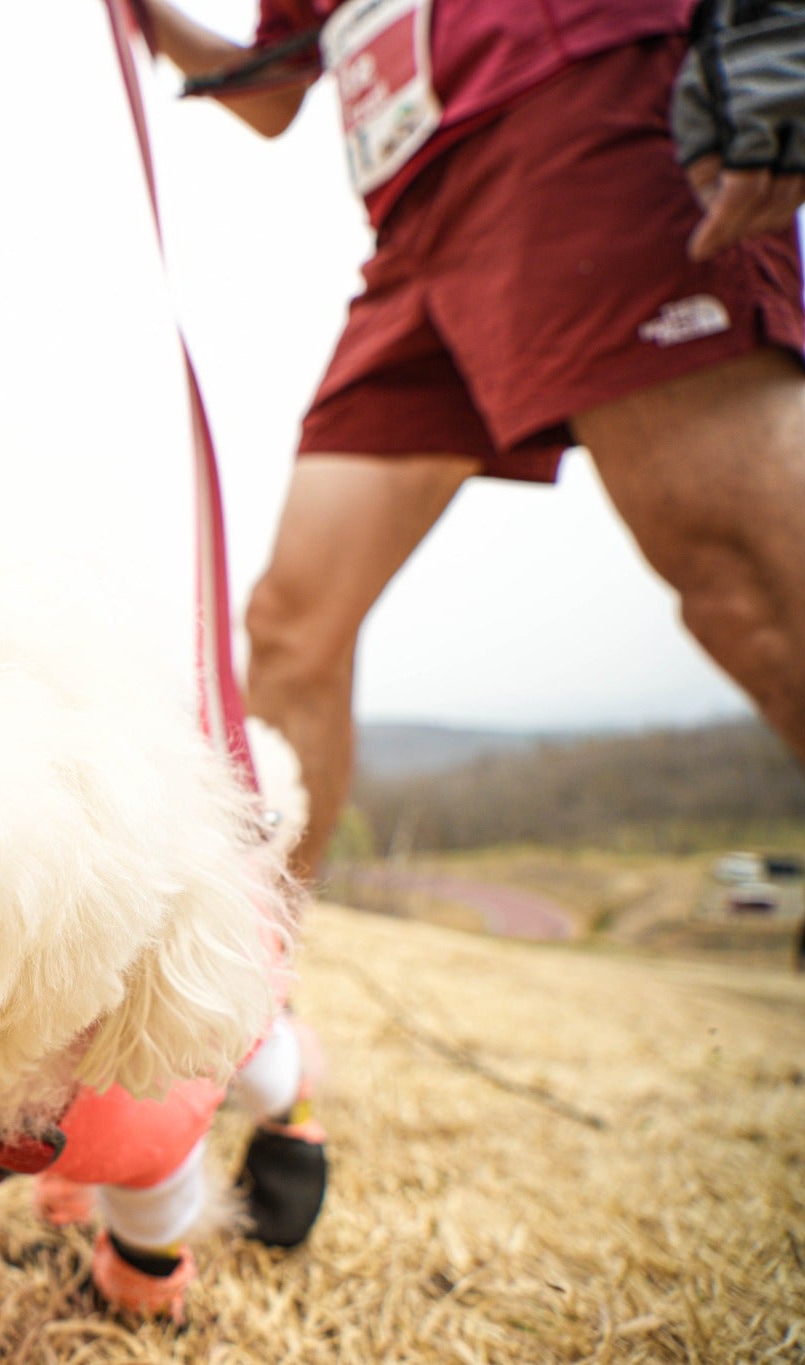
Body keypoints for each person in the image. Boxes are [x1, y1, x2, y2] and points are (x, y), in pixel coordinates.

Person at [140, 0, 805, 887]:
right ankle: (256, 959)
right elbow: (271, 91)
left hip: (580, 120)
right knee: (290, 629)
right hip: (412, 228)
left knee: (752, 586)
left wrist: (776, 50)